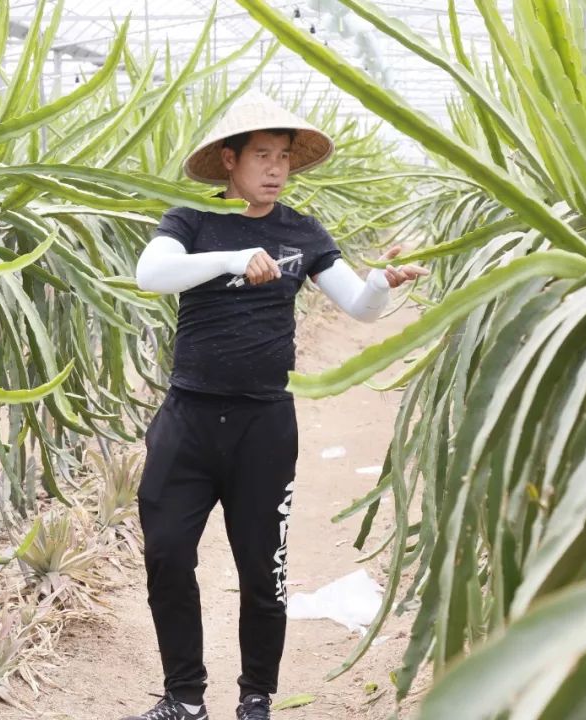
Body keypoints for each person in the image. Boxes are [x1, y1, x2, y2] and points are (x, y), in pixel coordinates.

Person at [123, 91, 426, 720]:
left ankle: (256, 697)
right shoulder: (191, 221)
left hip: (263, 424)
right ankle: (184, 697)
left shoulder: (302, 232)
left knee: (264, 571)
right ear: (229, 161)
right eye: (263, 155)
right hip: (190, 419)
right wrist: (234, 259)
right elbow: (150, 274)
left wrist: (380, 282)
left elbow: (361, 308)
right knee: (168, 556)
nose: (276, 169)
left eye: (284, 157)